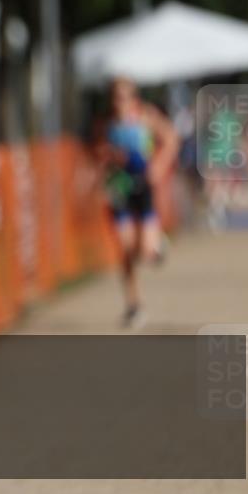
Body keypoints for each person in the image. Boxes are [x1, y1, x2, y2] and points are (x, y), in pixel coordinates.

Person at [92, 77, 179, 329]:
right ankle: (133, 304)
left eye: (124, 97)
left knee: (145, 251)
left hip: (144, 187)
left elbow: (171, 139)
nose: (119, 102)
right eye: (115, 97)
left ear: (134, 98)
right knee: (125, 248)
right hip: (120, 188)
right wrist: (104, 163)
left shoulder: (145, 116)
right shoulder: (106, 124)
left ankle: (156, 244)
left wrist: (159, 166)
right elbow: (97, 151)